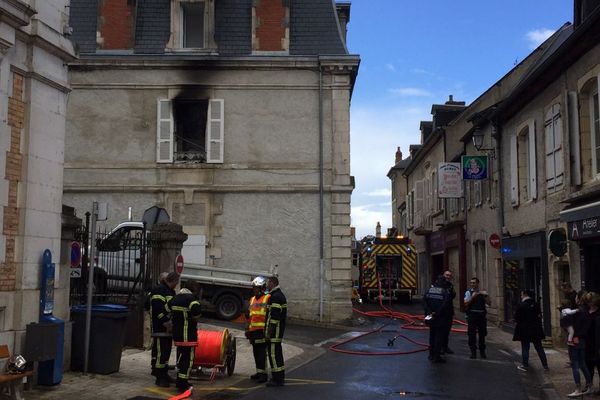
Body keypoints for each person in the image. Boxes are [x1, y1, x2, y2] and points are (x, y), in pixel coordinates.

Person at [167, 284, 202, 392]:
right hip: (188, 336)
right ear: (193, 290)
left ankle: (180, 380)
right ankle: (182, 383)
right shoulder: (191, 299)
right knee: (187, 359)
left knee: (181, 357)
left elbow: (166, 310)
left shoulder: (174, 298)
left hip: (177, 335)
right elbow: (197, 313)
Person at [149, 271, 179, 387]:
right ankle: (159, 377)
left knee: (166, 351)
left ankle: (164, 373)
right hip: (161, 326)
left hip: (168, 326)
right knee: (161, 352)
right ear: (174, 281)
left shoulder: (170, 291)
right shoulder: (159, 290)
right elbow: (157, 309)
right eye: (177, 282)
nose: (176, 285)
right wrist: (165, 322)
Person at [564, 290, 592, 397]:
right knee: (582, 364)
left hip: (575, 340)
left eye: (576, 297)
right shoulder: (586, 311)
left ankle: (578, 388)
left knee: (575, 365)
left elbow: (572, 326)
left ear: (579, 299)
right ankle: (589, 385)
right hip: (583, 340)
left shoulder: (577, 312)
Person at [513, 289, 549, 372]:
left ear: (525, 295)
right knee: (539, 347)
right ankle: (545, 365)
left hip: (524, 329)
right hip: (535, 329)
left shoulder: (521, 305)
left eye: (522, 295)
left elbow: (517, 318)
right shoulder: (536, 304)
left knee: (525, 347)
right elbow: (539, 316)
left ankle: (525, 365)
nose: (521, 296)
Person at [245, 276, 270, 383]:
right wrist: (247, 330)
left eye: (257, 288)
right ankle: (259, 372)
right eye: (254, 288)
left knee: (261, 353)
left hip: (261, 331)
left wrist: (268, 331)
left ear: (262, 288)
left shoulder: (268, 298)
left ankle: (263, 375)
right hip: (253, 331)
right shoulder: (252, 299)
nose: (254, 290)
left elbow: (269, 316)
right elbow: (250, 316)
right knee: (256, 352)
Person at [264, 276, 287, 387]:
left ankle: (277, 379)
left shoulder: (276, 297)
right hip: (277, 332)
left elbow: (274, 318)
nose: (267, 285)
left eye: (268, 283)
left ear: (272, 283)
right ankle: (280, 376)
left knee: (273, 355)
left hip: (275, 333)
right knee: (277, 355)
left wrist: (269, 333)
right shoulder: (278, 295)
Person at [423, 276, 451, 363]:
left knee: (432, 336)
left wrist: (429, 312)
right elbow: (445, 305)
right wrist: (437, 313)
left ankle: (431, 354)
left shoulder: (428, 290)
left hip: (431, 317)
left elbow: (424, 302)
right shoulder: (444, 292)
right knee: (439, 337)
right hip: (440, 317)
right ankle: (437, 356)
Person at [464, 277, 491, 359]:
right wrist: (472, 297)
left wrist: (486, 296)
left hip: (481, 316)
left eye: (474, 283)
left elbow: (489, 303)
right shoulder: (468, 292)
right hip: (472, 316)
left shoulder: (482, 293)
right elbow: (465, 304)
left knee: (482, 334)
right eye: (471, 283)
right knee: (471, 334)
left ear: (477, 284)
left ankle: (482, 352)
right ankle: (473, 352)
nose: (472, 284)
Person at [585, 292, 600, 395]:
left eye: (590, 301)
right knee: (588, 366)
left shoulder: (599, 313)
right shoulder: (585, 311)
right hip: (587, 343)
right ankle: (589, 386)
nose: (589, 303)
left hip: (597, 343)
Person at [440, 270, 456, 354]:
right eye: (446, 275)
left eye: (449, 275)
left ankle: (445, 347)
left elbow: (453, 295)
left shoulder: (450, 286)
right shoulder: (439, 285)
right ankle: (440, 347)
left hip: (449, 311)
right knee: (441, 330)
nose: (448, 277)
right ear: (443, 275)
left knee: (447, 330)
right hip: (441, 311)